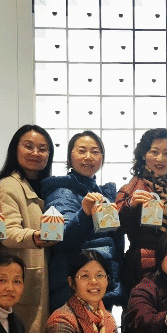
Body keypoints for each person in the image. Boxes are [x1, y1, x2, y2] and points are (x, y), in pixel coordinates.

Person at [0, 124, 58, 333]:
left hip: (40, 273)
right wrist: (36, 237)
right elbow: (6, 232)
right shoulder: (9, 186)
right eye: (28, 146)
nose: (35, 153)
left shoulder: (43, 187)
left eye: (43, 148)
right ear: (15, 149)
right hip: (22, 274)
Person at [43, 131, 122, 313]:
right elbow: (59, 238)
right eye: (81, 151)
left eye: (95, 152)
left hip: (99, 281)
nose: (88, 157)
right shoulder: (61, 192)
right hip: (74, 285)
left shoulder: (102, 193)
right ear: (70, 157)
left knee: (100, 330)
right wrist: (84, 214)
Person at [115, 128, 167, 293]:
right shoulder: (132, 188)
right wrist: (130, 204)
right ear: (143, 155)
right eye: (154, 152)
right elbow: (115, 227)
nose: (160, 158)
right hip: (142, 266)